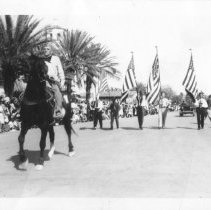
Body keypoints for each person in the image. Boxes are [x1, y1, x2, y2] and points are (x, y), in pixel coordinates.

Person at [43, 44, 65, 119]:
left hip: (53, 81)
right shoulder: (41, 60)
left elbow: (60, 71)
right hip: (44, 80)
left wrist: (62, 83)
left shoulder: (56, 59)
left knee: (57, 93)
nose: (46, 50)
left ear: (51, 51)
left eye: (48, 49)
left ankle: (57, 111)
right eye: (44, 49)